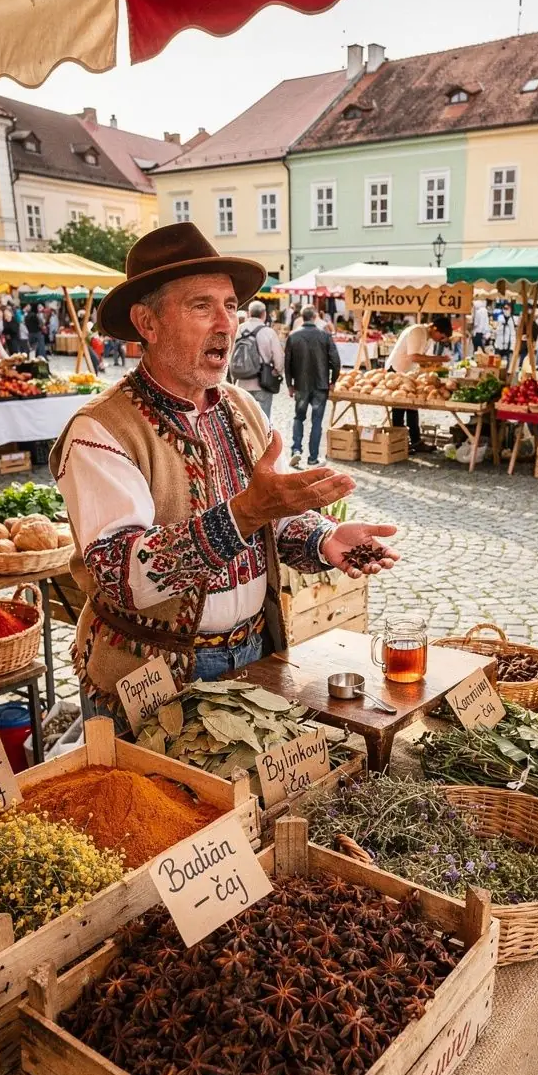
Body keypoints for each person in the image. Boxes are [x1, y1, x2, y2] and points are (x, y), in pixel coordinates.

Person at [51, 223, 398, 727]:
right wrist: (246, 511)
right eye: (201, 306)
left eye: (231, 305)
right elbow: (122, 576)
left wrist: (325, 539)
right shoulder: (100, 430)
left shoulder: (241, 408)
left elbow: (270, 521)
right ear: (146, 322)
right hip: (151, 674)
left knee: (252, 803)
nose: (226, 324)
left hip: (256, 651)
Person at [385, 314, 452, 453]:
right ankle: (400, 444)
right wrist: (438, 358)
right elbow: (414, 356)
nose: (442, 340)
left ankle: (415, 441)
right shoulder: (418, 332)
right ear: (434, 328)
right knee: (399, 409)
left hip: (408, 372)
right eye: (442, 336)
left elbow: (419, 359)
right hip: (397, 370)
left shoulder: (427, 336)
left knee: (412, 407)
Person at [285, 305, 341, 467]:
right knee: (317, 421)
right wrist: (333, 381)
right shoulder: (324, 335)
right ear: (315, 317)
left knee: (299, 417)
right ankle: (313, 457)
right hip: (320, 384)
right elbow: (336, 361)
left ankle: (296, 450)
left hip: (301, 385)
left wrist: (290, 384)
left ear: (302, 317)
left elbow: (287, 363)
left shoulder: (293, 336)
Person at [230, 298, 284, 420]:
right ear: (264, 314)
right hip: (263, 382)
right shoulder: (268, 332)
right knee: (263, 420)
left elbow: (230, 354)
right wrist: (277, 372)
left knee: (244, 419)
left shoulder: (238, 329)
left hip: (241, 382)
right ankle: (263, 438)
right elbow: (279, 359)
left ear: (249, 313)